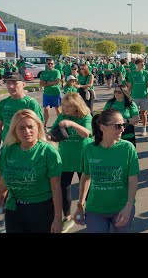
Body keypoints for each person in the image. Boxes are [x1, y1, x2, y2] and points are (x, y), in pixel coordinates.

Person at [0, 109, 63, 233]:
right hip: (13, 209)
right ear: (14, 130)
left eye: (31, 127)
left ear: (38, 127)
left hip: (41, 210)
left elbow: (56, 188)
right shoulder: (8, 151)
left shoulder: (48, 152)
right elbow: (3, 185)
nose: (27, 132)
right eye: (21, 128)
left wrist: (57, 219)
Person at [73, 109, 140, 233]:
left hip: (121, 208)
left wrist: (128, 206)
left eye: (123, 125)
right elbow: (85, 177)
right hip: (95, 209)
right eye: (118, 126)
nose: (122, 129)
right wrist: (80, 205)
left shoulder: (127, 148)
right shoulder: (89, 149)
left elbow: (133, 179)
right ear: (102, 127)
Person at [48, 92, 93, 233]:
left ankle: (89, 212)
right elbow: (52, 132)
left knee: (85, 187)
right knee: (64, 187)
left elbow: (87, 133)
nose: (65, 109)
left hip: (82, 156)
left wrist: (72, 124)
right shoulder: (62, 116)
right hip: (65, 157)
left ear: (77, 106)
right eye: (64, 106)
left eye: (69, 106)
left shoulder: (86, 116)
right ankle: (67, 217)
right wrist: (47, 136)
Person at [0, 72, 44, 165]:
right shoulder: (3, 104)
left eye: (15, 83)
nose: (11, 86)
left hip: (27, 150)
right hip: (8, 148)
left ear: (23, 84)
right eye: (8, 83)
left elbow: (40, 128)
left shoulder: (31, 104)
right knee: (4, 177)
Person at [127, 58, 148, 136]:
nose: (143, 65)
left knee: (143, 112)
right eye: (142, 64)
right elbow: (130, 85)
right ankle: (132, 129)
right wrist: (128, 95)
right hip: (134, 96)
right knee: (134, 113)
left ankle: (144, 128)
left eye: (144, 64)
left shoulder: (146, 73)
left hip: (144, 96)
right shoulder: (132, 73)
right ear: (137, 64)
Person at [40, 58, 62, 128]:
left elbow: (57, 82)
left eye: (51, 64)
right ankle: (44, 124)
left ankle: (61, 122)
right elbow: (41, 84)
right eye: (48, 63)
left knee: (58, 109)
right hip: (46, 94)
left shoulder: (56, 72)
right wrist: (51, 83)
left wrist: (46, 82)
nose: (50, 65)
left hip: (55, 94)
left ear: (54, 65)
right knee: (46, 109)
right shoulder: (43, 73)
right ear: (46, 64)